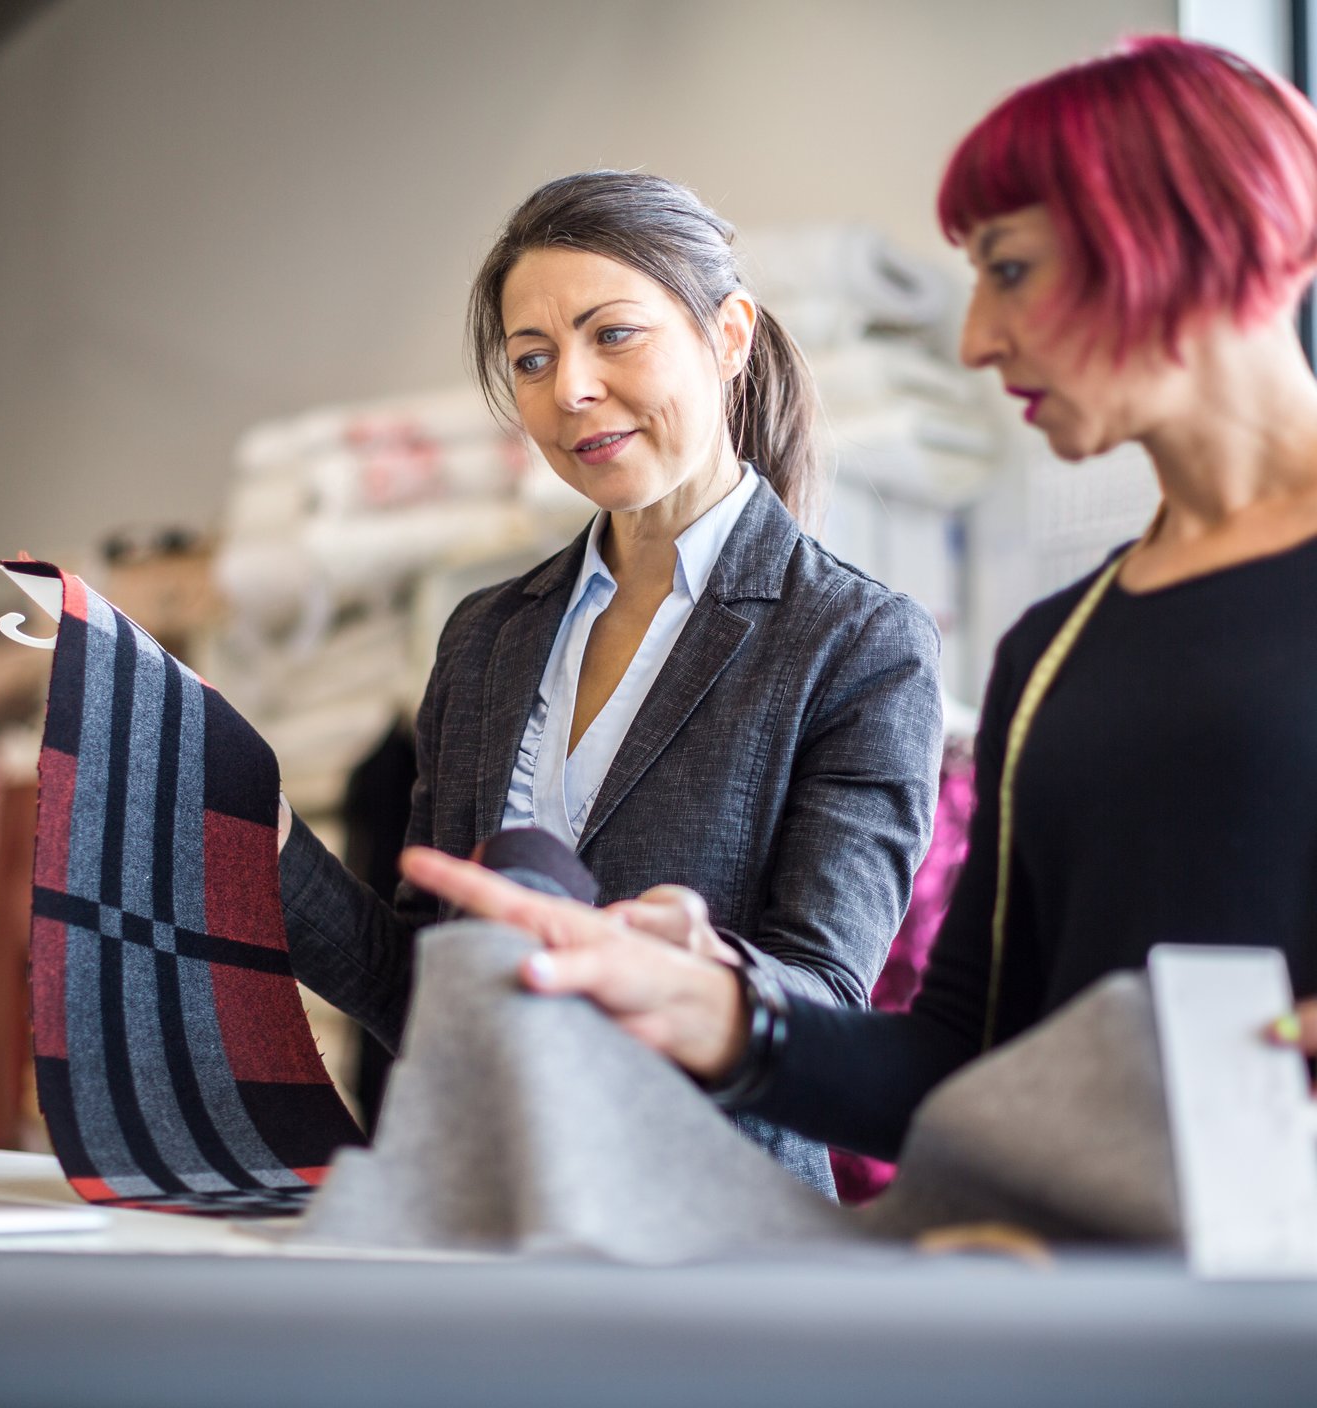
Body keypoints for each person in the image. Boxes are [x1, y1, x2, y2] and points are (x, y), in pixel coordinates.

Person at [400, 36, 1317, 1161]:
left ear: (1196, 235)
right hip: (1103, 1305)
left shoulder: (863, 639)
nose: (977, 337)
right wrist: (720, 1006)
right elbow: (954, 1065)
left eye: (1012, 269)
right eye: (531, 356)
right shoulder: (1054, 651)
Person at [277, 170, 943, 1195]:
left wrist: (696, 973)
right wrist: (263, 842)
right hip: (487, 1205)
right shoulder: (487, 637)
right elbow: (422, 987)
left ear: (729, 337)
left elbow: (820, 998)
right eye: (531, 359)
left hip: (716, 1232)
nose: (570, 390)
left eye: (612, 335)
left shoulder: (856, 643)